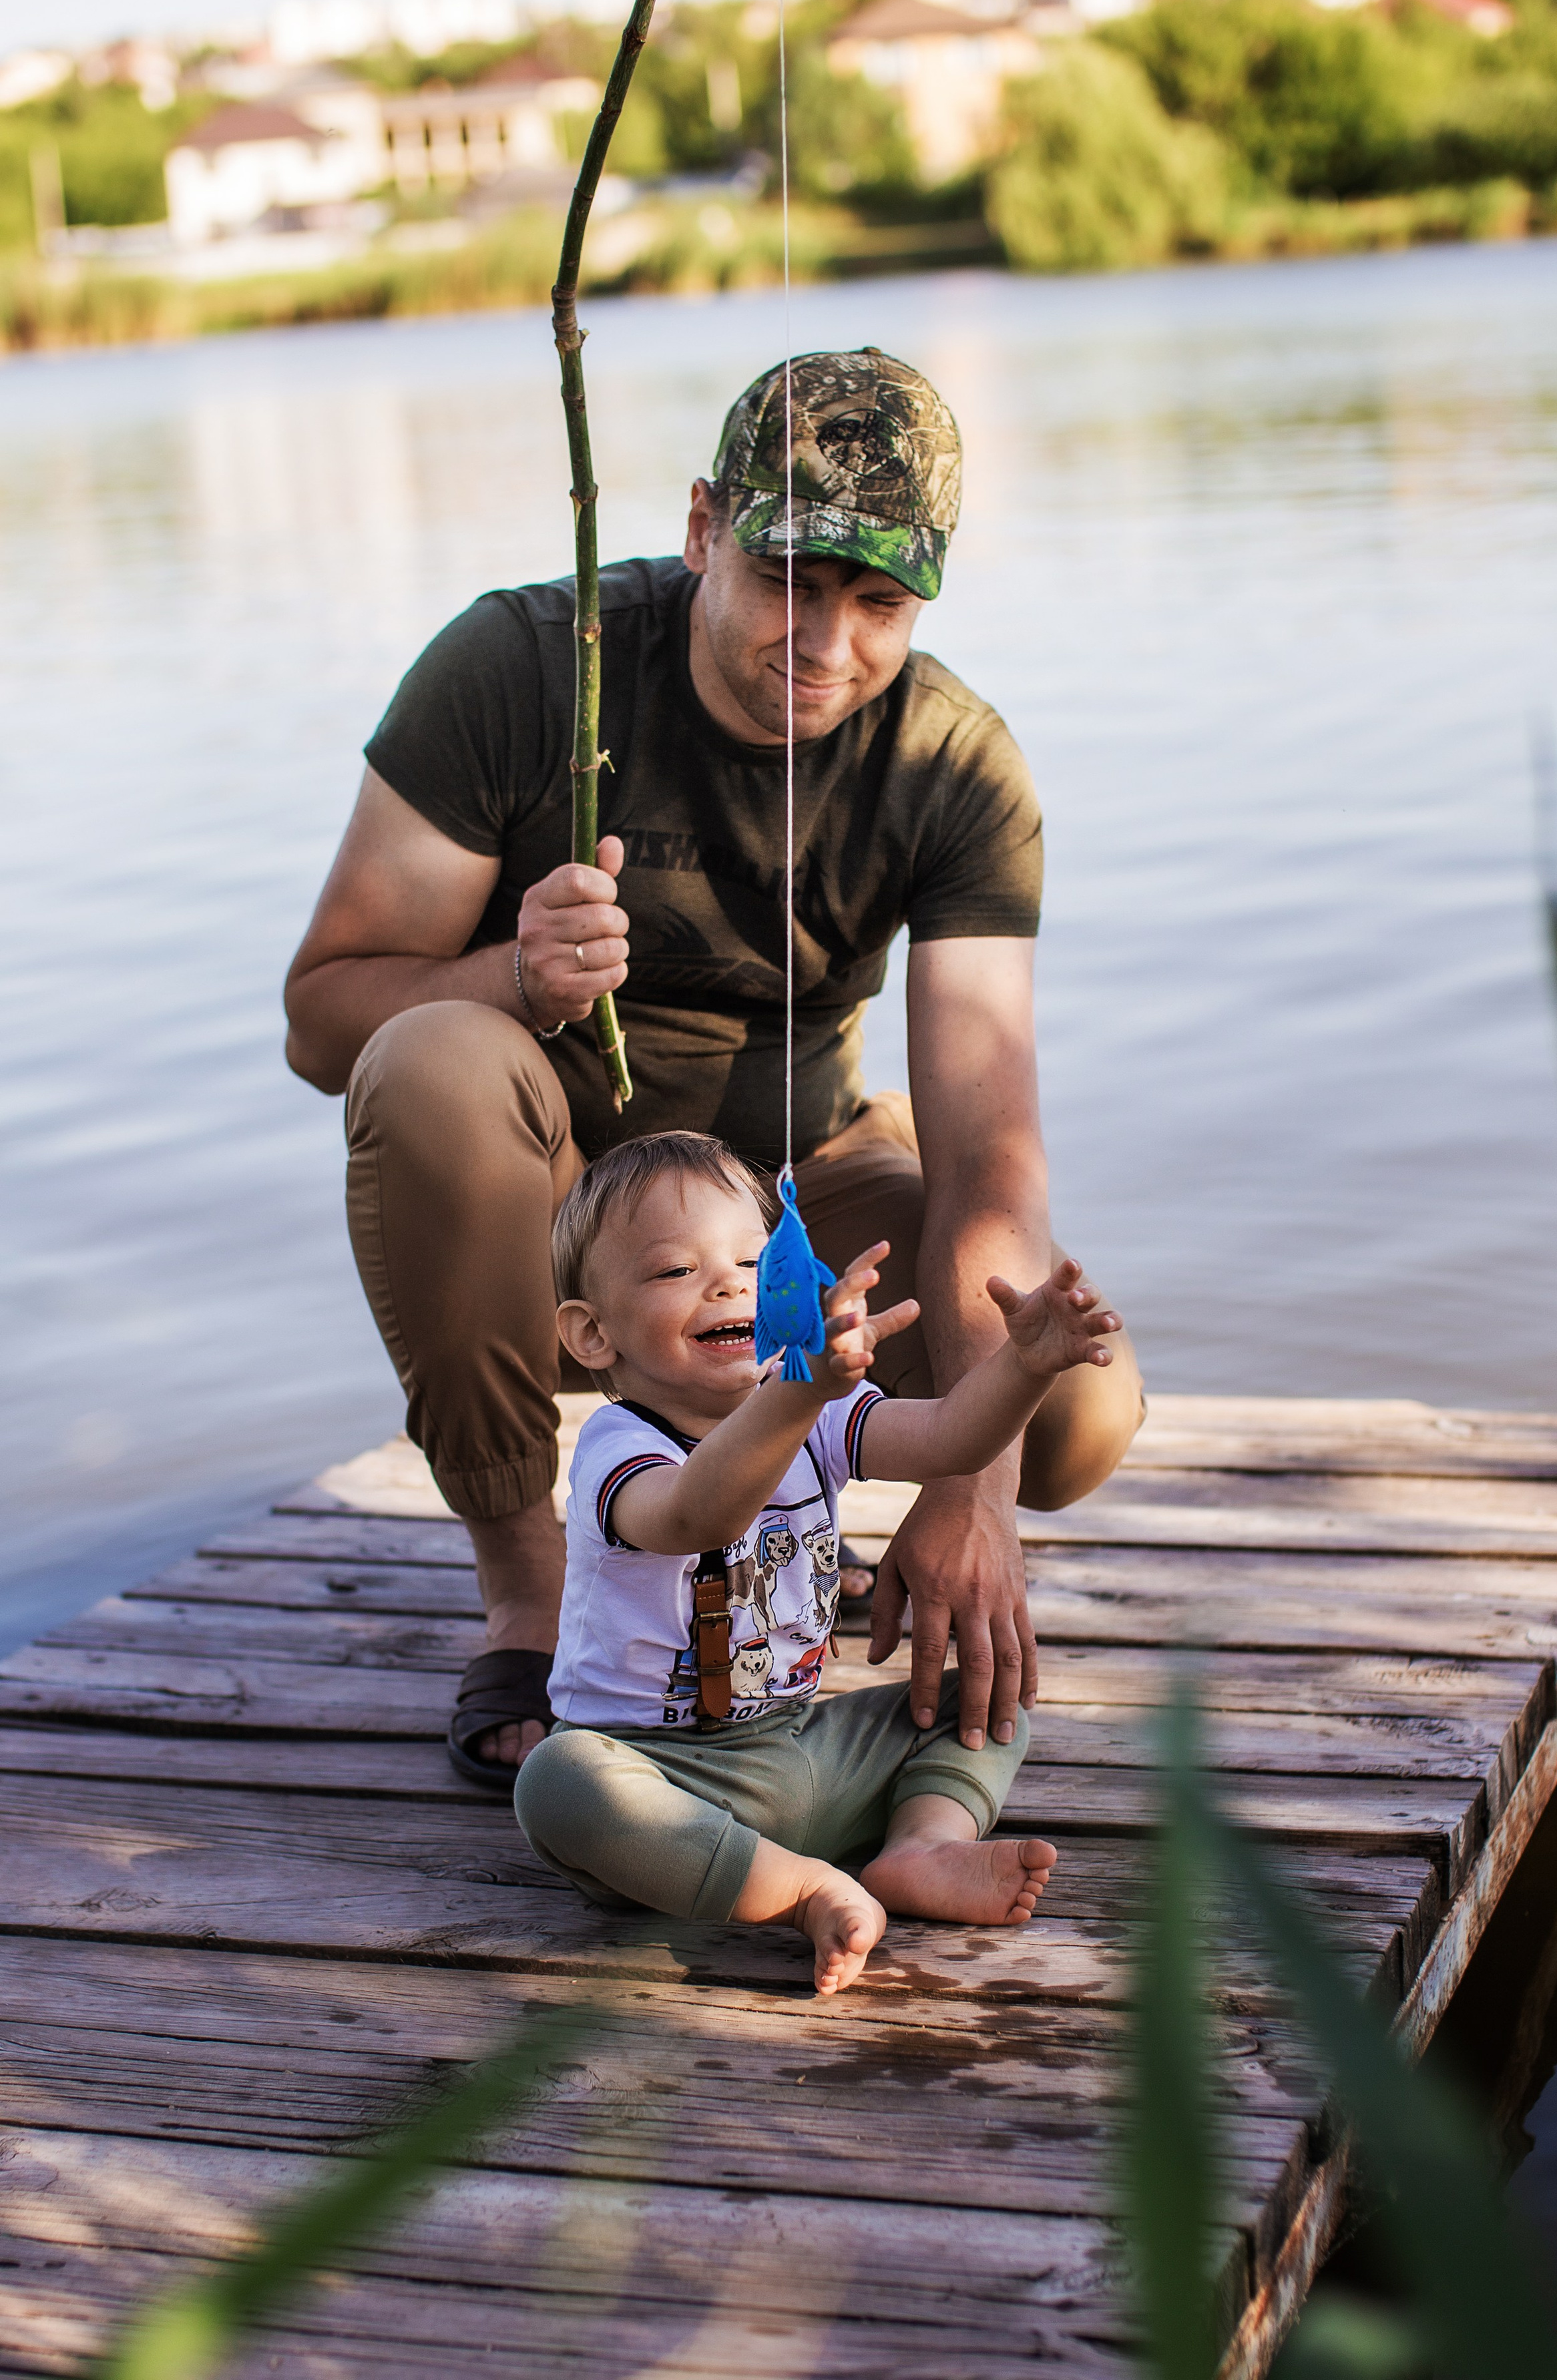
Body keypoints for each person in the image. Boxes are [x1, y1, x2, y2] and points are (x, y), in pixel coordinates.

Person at [282, 346, 1144, 1786]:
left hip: (796, 1199)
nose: (827, 643)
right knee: (428, 1062)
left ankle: (796, 1538)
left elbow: (990, 1153)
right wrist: (509, 973)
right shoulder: (511, 668)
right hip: (560, 1204)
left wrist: (968, 1490)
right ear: (701, 530)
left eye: (878, 603)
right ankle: (531, 1587)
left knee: (1076, 1415)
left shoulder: (956, 764)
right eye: (788, 582)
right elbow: (322, 1020)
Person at [513, 1130, 1124, 1996]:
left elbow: (951, 1438)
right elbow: (697, 1513)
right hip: (651, 1776)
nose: (727, 1284)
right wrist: (798, 1395)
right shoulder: (619, 1446)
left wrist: (1024, 1367)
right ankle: (799, 1890)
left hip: (795, 1752)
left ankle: (919, 1848)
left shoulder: (821, 1410)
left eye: (753, 1264)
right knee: (557, 1784)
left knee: (985, 1698)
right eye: (674, 1271)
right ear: (592, 1333)